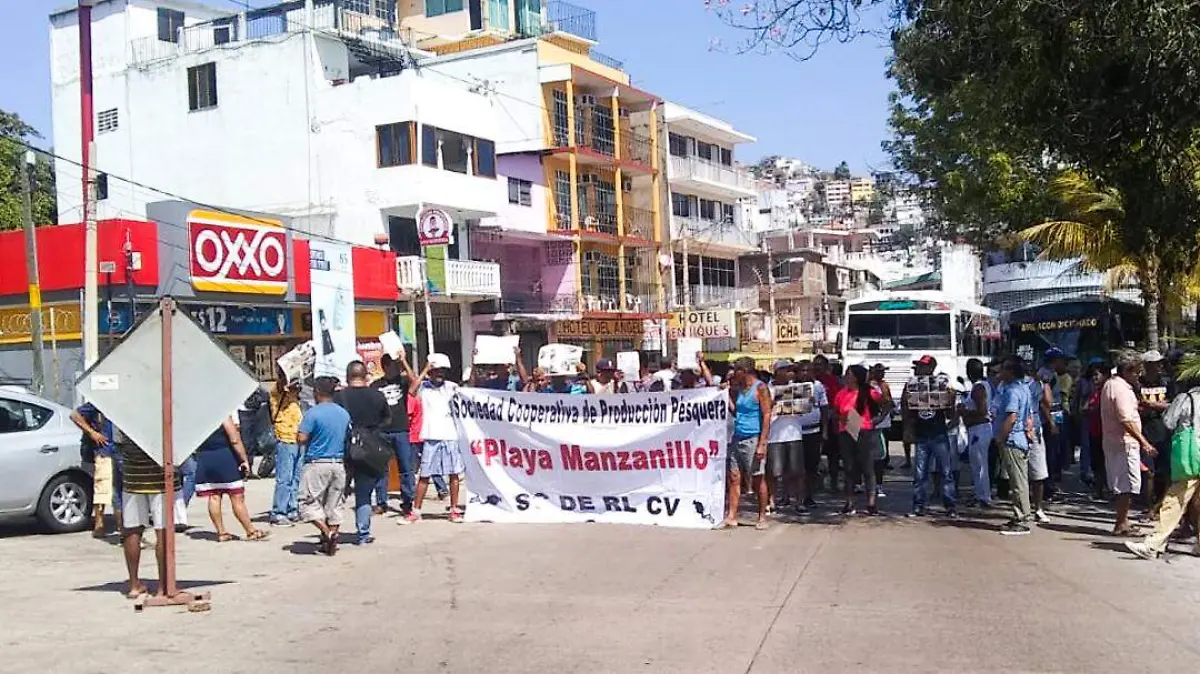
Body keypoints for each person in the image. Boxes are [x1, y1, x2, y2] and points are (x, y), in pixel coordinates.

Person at [1125, 382, 1200, 560]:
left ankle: (1153, 544)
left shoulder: (1186, 398)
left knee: (1174, 500)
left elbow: (1168, 421)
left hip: (1192, 455)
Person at [118, 431, 187, 598]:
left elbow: (118, 442)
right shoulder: (161, 407)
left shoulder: (126, 409)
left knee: (132, 529)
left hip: (132, 474)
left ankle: (134, 584)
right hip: (162, 476)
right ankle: (164, 586)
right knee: (163, 531)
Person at [403, 353, 466, 524]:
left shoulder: (451, 387)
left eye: (442, 371)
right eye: (436, 371)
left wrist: (473, 365)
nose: (439, 374)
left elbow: (469, 391)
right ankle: (416, 511)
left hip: (450, 436)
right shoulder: (423, 387)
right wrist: (425, 369)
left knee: (453, 474)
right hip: (431, 437)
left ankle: (454, 510)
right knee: (424, 475)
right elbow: (411, 390)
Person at [1102, 351, 1158, 536]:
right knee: (1126, 484)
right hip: (1124, 442)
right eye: (1136, 371)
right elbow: (1125, 419)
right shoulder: (1120, 389)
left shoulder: (1112, 384)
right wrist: (1144, 442)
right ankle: (1121, 523)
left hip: (1116, 442)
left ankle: (1123, 520)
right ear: (1127, 370)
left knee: (1124, 483)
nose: (1139, 375)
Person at [336, 360, 391, 545]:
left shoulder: (339, 397)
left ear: (347, 375)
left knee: (336, 494)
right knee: (364, 494)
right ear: (366, 375)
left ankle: (330, 531)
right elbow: (387, 419)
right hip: (369, 449)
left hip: (345, 449)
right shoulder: (377, 396)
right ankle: (363, 534)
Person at [297, 376, 352, 556]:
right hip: (338, 463)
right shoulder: (343, 413)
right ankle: (330, 539)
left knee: (308, 502)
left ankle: (327, 533)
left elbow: (301, 438)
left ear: (318, 392)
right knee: (334, 504)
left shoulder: (313, 413)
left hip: (317, 463)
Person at [719, 356, 772, 530]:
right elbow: (737, 412)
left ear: (744, 371)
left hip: (753, 437)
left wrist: (762, 442)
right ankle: (732, 515)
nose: (734, 374)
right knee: (734, 477)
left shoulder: (761, 388)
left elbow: (766, 414)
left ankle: (762, 515)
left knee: (757, 479)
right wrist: (725, 397)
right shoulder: (740, 390)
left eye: (736, 371)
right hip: (737, 436)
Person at [193, 417, 266, 542]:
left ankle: (221, 532)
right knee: (237, 496)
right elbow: (234, 439)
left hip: (205, 457)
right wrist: (244, 459)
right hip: (224, 456)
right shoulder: (222, 414)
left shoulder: (198, 417)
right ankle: (250, 530)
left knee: (214, 495)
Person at [902, 355, 957, 518]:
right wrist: (907, 428)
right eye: (919, 366)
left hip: (938, 433)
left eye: (923, 366)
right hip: (922, 434)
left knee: (946, 472)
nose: (920, 369)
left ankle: (950, 505)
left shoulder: (941, 385)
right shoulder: (911, 385)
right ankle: (918, 505)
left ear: (931, 368)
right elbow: (906, 410)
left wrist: (950, 400)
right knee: (920, 474)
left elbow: (949, 412)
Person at [833, 364, 886, 516]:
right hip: (846, 431)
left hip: (864, 430)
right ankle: (849, 502)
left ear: (857, 377)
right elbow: (835, 411)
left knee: (868, 468)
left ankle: (871, 502)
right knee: (849, 468)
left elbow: (887, 404)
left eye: (849, 374)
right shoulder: (841, 393)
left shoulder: (869, 392)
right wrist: (840, 418)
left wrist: (876, 420)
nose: (846, 377)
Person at [372, 352, 417, 514]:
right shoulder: (376, 385)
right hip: (382, 431)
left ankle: (407, 502)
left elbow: (415, 381)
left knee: (406, 467)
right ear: (385, 367)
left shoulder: (403, 382)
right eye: (393, 365)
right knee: (381, 468)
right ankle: (381, 502)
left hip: (401, 430)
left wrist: (404, 360)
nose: (396, 369)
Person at [996, 356, 1034, 535]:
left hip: (1012, 439)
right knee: (1020, 479)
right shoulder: (1024, 388)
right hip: (1021, 439)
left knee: (1017, 481)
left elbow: (1012, 417)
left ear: (1011, 371)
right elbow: (1029, 416)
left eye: (1004, 369)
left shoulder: (1012, 391)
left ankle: (1022, 517)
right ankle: (1020, 514)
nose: (1000, 372)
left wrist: (1001, 437)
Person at [71, 400, 116, 538]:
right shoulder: (100, 401)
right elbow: (75, 415)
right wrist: (92, 433)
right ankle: (99, 523)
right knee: (102, 487)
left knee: (121, 490)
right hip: (104, 450)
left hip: (121, 450)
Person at [1138, 349, 1175, 508]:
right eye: (1154, 364)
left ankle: (1162, 504)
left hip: (1165, 432)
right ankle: (1149, 508)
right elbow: (1136, 405)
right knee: (1148, 472)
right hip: (1145, 433)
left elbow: (1173, 404)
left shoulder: (1167, 382)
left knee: (1166, 471)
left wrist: (1153, 405)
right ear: (1146, 365)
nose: (1158, 366)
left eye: (1160, 363)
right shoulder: (1138, 383)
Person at [268, 372, 305, 527]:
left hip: (299, 437)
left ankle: (292, 508)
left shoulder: (294, 395)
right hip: (285, 437)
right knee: (284, 477)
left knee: (296, 476)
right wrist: (285, 381)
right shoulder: (276, 392)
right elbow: (279, 388)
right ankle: (279, 512)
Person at [792, 360, 829, 512]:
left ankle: (809, 496)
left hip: (813, 432)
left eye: (809, 370)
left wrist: (825, 430)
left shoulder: (818, 386)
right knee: (797, 467)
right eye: (802, 370)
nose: (805, 373)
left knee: (811, 467)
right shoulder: (791, 387)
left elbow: (825, 408)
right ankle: (797, 497)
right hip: (796, 432)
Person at [766, 360, 803, 511]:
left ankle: (798, 502)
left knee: (797, 471)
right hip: (774, 435)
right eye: (786, 370)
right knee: (774, 472)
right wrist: (774, 402)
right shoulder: (767, 388)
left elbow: (804, 407)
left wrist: (806, 403)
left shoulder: (797, 387)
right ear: (777, 372)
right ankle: (771, 501)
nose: (790, 373)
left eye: (790, 370)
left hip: (794, 433)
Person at [1024, 360, 1055, 524]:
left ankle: (1035, 508)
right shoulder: (1018, 386)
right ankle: (1030, 508)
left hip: (1034, 431)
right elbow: (1048, 403)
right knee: (1030, 473)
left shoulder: (1036, 385)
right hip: (1024, 431)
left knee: (1036, 473)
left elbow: (1047, 403)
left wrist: (1044, 384)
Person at [960, 358, 993, 508]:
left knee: (980, 465)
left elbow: (982, 411)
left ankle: (983, 497)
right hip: (977, 429)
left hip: (979, 429)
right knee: (977, 465)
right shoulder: (983, 385)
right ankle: (980, 494)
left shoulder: (978, 388)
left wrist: (964, 411)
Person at [1043, 348, 1072, 497]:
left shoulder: (1051, 374)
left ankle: (1052, 483)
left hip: (1057, 414)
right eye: (1061, 360)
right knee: (1051, 453)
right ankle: (1048, 486)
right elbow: (1045, 402)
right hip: (1051, 416)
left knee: (1058, 450)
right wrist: (1052, 423)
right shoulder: (1047, 375)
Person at [1084, 362, 1110, 500]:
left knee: (1103, 462)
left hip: (1105, 432)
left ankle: (1105, 489)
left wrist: (1091, 410)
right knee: (1097, 462)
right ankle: (1099, 489)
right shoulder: (1094, 391)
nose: (1094, 378)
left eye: (1096, 375)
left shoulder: (1106, 391)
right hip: (1094, 431)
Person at [869, 364, 893, 499]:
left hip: (882, 425)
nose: (882, 374)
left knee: (881, 458)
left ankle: (878, 485)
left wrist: (885, 413)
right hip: (868, 425)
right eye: (879, 371)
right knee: (864, 457)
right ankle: (861, 483)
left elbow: (888, 402)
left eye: (883, 371)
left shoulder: (885, 385)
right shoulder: (868, 386)